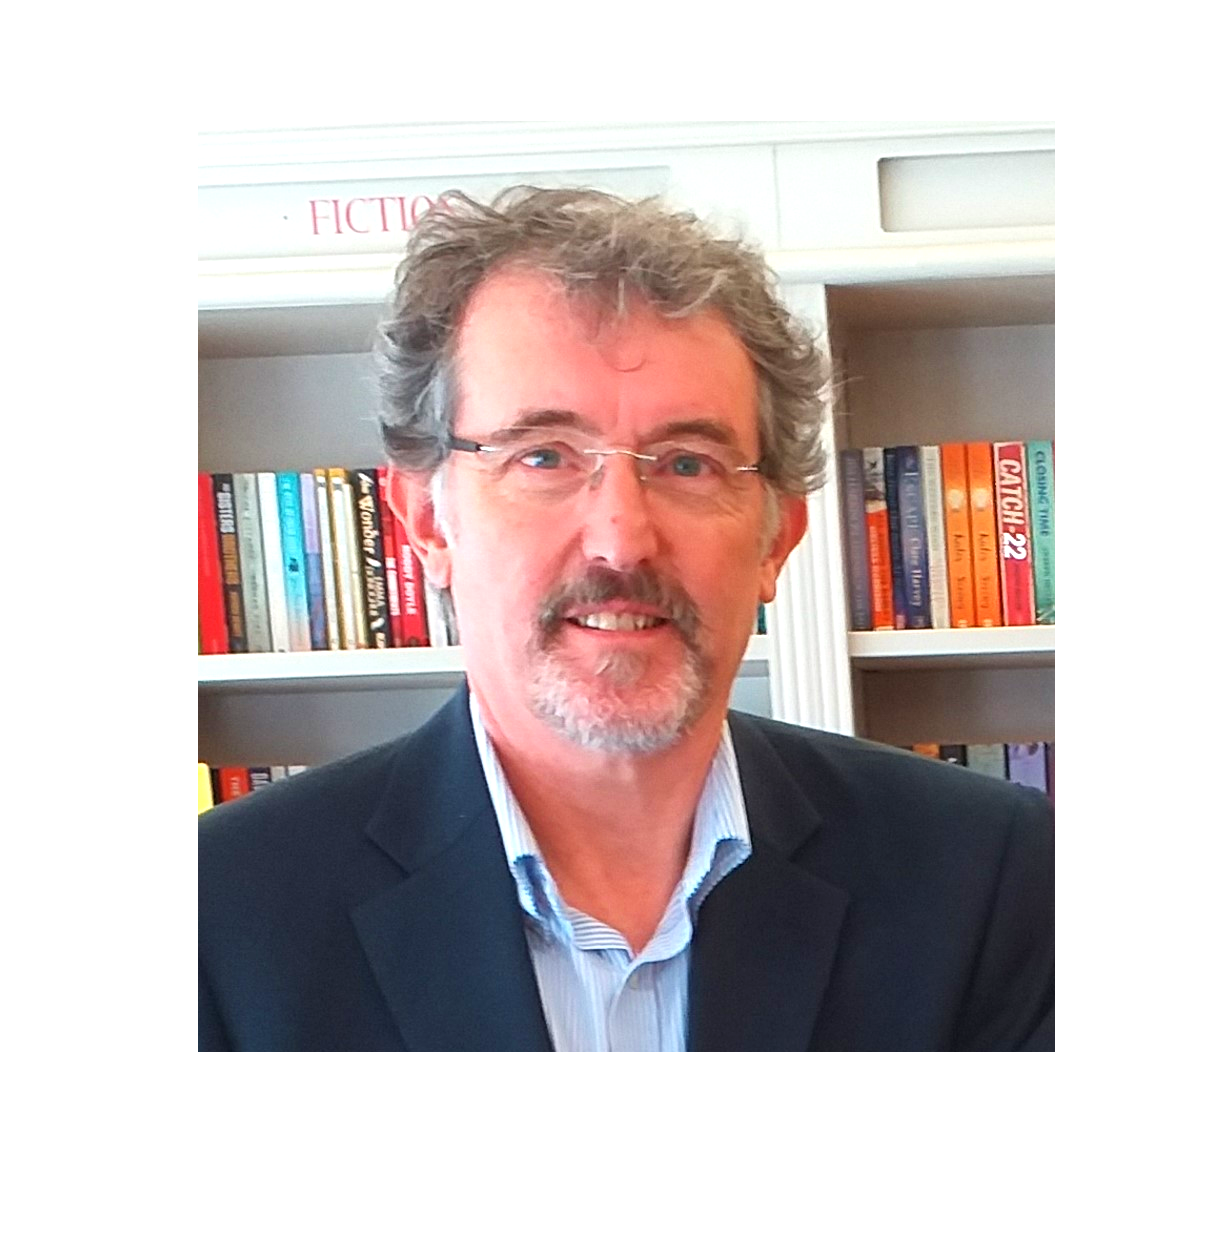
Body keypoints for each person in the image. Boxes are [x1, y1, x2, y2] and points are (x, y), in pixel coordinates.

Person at [198, 186, 1053, 1052]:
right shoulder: (216, 915)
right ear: (426, 522)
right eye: (543, 456)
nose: (621, 541)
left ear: (776, 539)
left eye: (688, 464)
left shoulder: (994, 878)